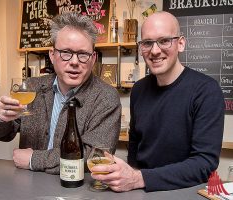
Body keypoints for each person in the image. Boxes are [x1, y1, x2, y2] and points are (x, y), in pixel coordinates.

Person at [90, 11, 225, 192]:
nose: (155, 51)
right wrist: (131, 178)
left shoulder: (206, 90)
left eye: (164, 41)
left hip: (185, 192)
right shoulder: (139, 89)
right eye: (147, 43)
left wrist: (138, 178)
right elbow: (135, 147)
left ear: (181, 43)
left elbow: (204, 163)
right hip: (143, 191)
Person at [0, 12, 121, 174]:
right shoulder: (32, 87)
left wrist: (34, 160)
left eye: (83, 54)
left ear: (93, 58)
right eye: (66, 52)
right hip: (27, 187)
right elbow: (1, 131)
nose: (74, 62)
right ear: (52, 55)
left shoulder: (106, 97)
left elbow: (96, 155)